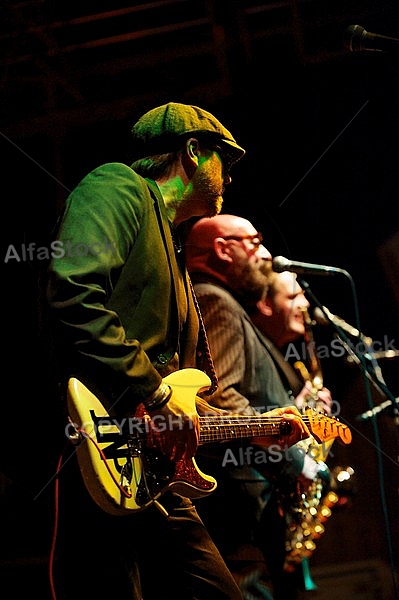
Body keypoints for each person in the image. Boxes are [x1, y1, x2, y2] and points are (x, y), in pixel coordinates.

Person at [45, 102, 310, 600]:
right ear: (192, 152)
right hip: (98, 446)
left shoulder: (173, 247)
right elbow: (73, 291)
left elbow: (178, 396)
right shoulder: (116, 186)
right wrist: (157, 397)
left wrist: (256, 430)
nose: (229, 177)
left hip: (155, 474)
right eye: (223, 162)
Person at [184, 214, 332, 600]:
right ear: (222, 249)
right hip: (238, 503)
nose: (265, 253)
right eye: (254, 242)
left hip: (252, 499)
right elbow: (218, 396)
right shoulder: (215, 299)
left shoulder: (224, 301)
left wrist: (294, 411)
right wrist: (294, 460)